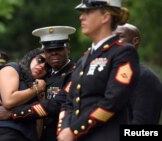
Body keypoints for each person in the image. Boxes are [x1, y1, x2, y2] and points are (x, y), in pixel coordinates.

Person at [57, 1, 140, 141]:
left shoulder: (123, 53)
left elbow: (113, 100)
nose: (81, 17)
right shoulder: (84, 58)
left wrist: (75, 131)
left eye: (87, 12)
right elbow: (69, 101)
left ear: (105, 17)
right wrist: (64, 129)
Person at [0, 26, 76, 141]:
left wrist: (13, 113)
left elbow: (55, 104)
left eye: (59, 49)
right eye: (49, 50)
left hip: (63, 135)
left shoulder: (75, 73)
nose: (54, 53)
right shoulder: (43, 76)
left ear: (68, 49)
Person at [0, 48, 47, 141]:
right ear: (31, 57)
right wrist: (36, 89)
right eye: (40, 60)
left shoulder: (40, 85)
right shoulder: (11, 69)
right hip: (6, 133)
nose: (42, 66)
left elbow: (39, 119)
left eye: (48, 66)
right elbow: (9, 100)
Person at [115, 23, 162, 124]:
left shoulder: (146, 79)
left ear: (135, 41)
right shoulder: (106, 75)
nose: (114, 42)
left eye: (120, 37)